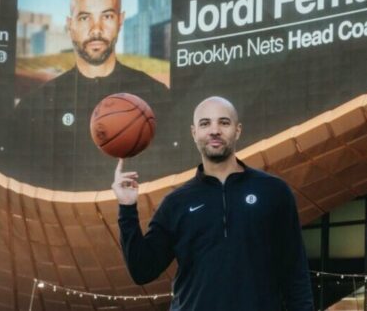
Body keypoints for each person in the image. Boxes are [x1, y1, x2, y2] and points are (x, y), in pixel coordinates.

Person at [113, 96, 314, 310]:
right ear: (194, 133)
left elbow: (295, 273)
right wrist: (127, 208)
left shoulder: (274, 191)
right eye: (205, 123)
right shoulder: (176, 203)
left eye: (224, 122)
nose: (214, 130)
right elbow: (142, 270)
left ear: (237, 130)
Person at [12, 0, 170, 190]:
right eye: (85, 17)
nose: (96, 29)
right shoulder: (33, 106)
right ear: (70, 24)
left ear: (120, 20)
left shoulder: (157, 95)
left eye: (107, 16)